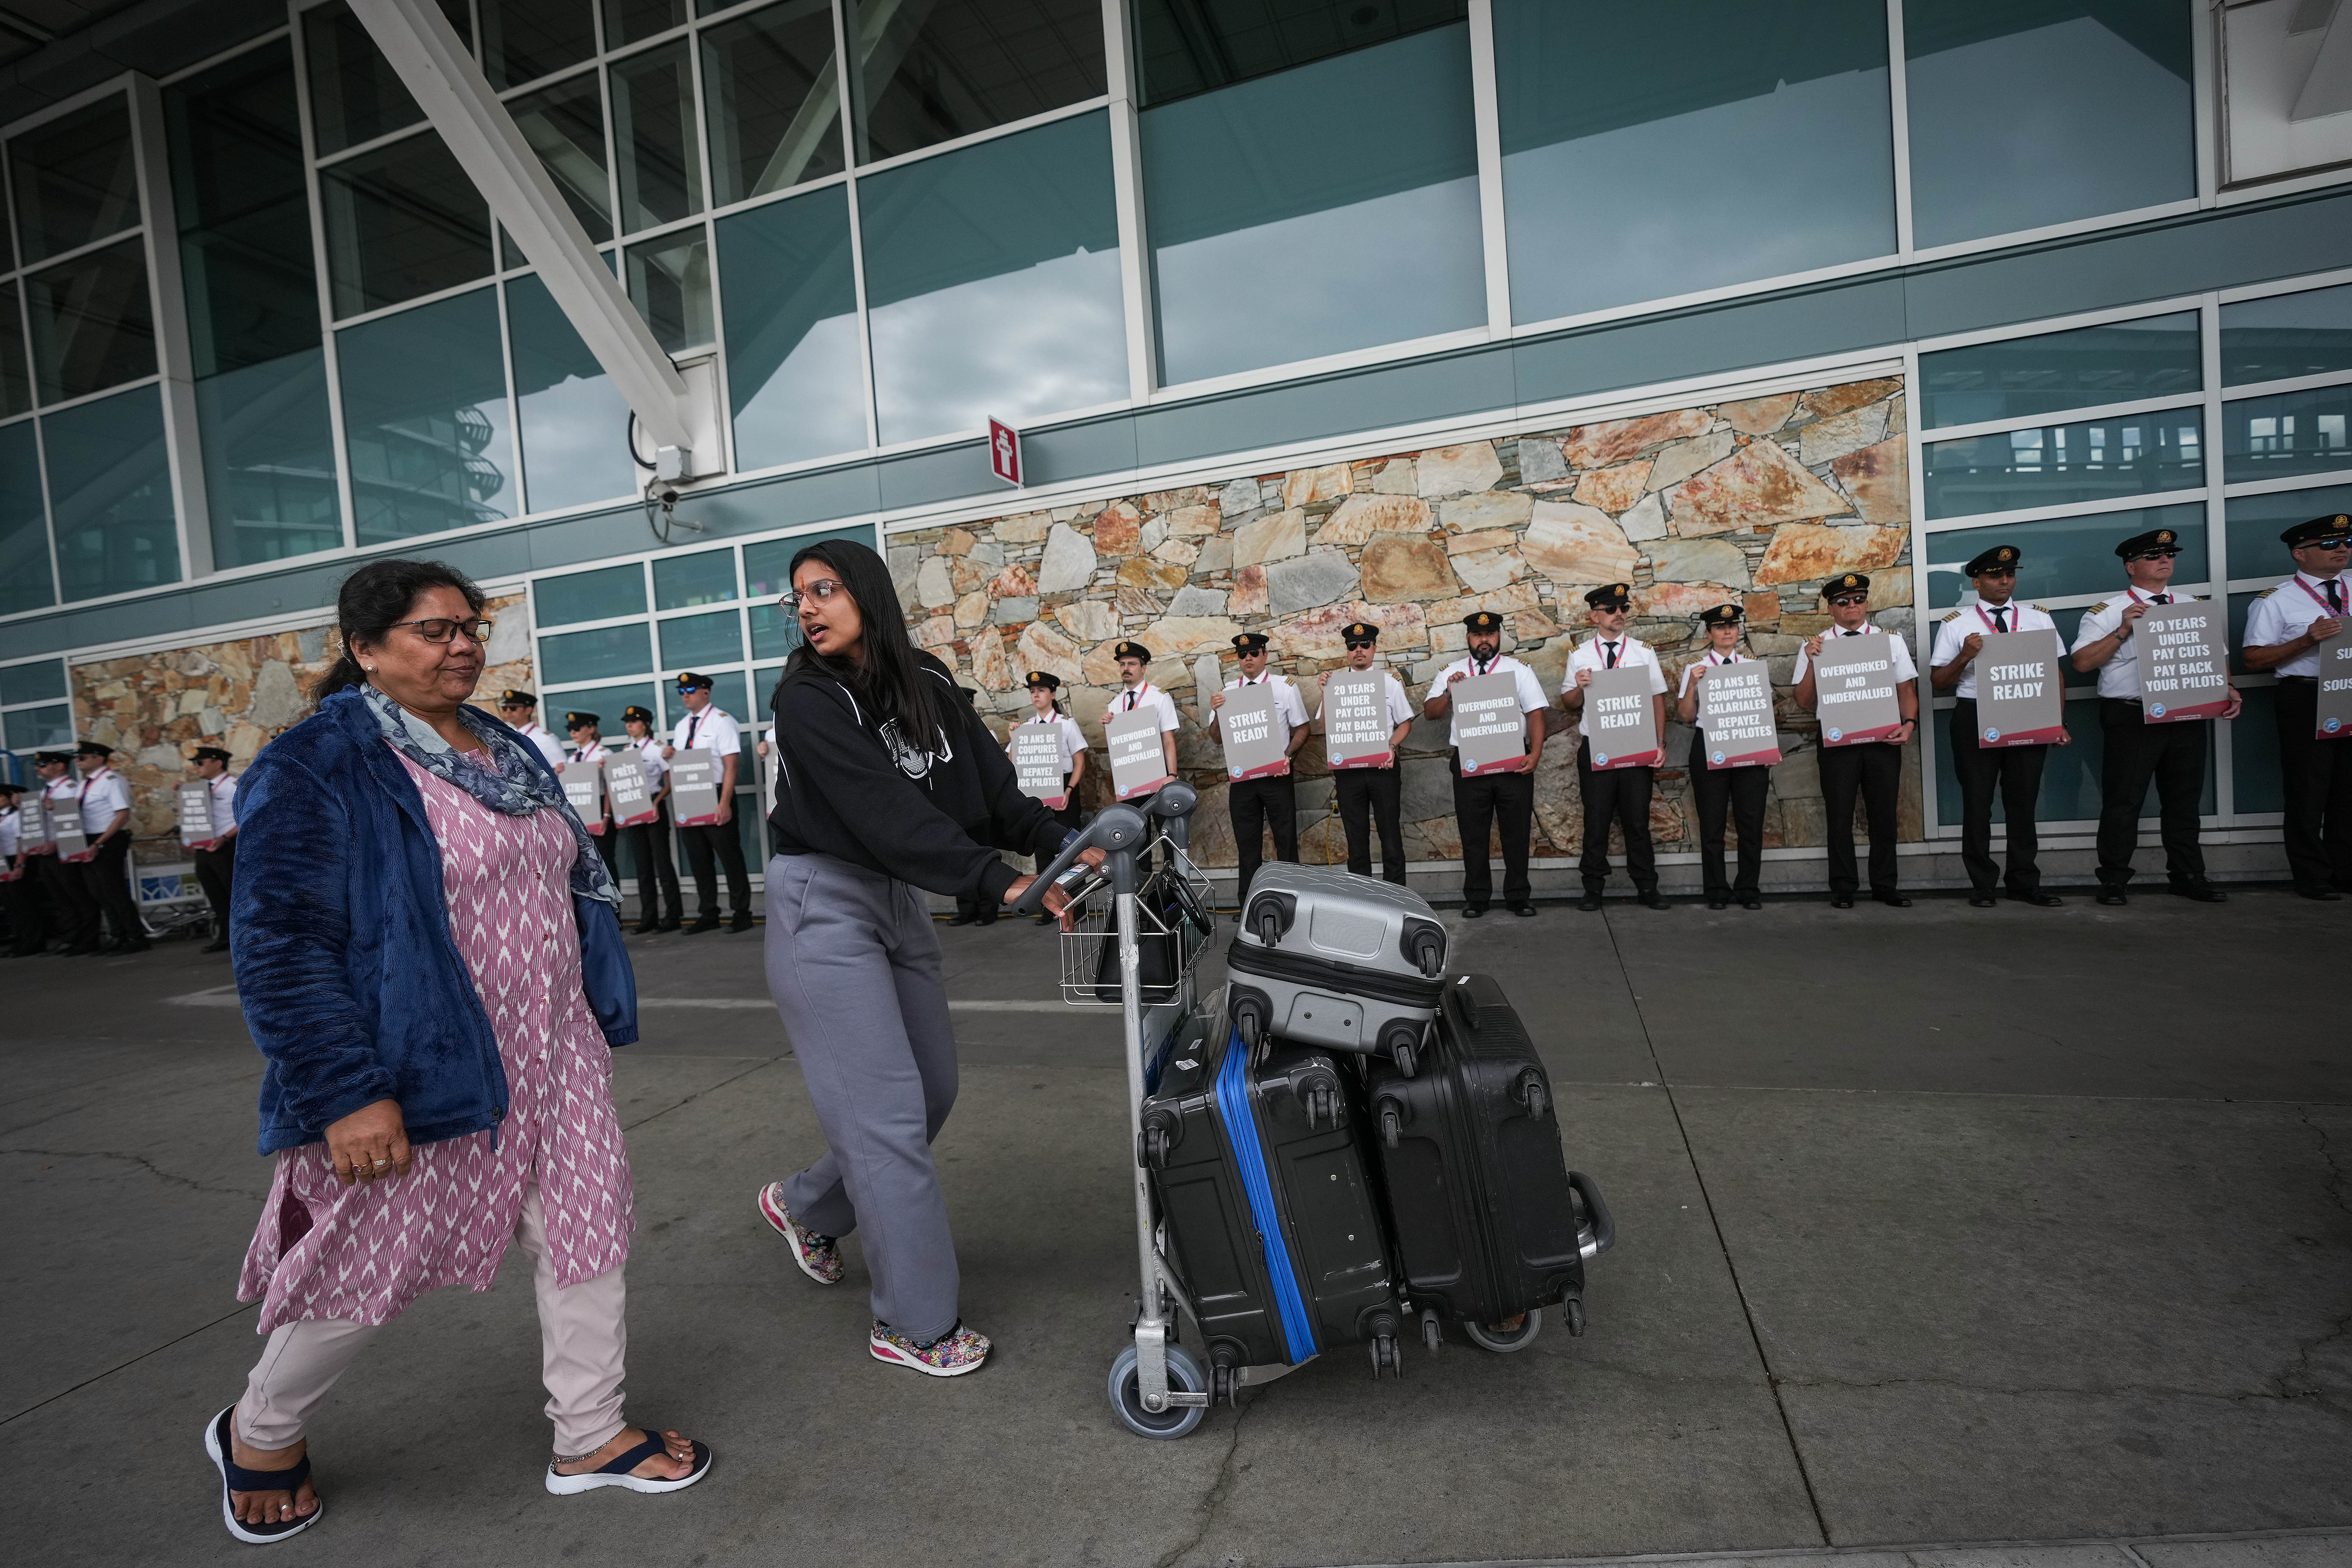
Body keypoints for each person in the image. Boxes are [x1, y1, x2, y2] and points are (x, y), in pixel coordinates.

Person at [213, 557, 707, 1545]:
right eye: (434, 630)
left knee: (588, 1227)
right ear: (365, 648)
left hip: (555, 1048)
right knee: (365, 1259)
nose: (463, 644)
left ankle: (591, 1432)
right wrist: (348, 1091)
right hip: (418, 1060)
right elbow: (279, 942)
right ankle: (259, 1431)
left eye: (469, 626)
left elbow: (563, 885)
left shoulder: (500, 747)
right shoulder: (318, 762)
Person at [753, 538, 1094, 1378]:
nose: (807, 608)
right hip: (821, 903)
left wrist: (1057, 841)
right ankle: (912, 1323)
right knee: (885, 1119)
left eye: (824, 590)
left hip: (897, 898)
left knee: (931, 1089)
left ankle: (805, 1205)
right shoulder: (807, 697)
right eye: (799, 596)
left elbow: (989, 787)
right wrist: (993, 881)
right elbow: (878, 812)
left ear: (867, 593)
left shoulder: (928, 680)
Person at [2070, 526, 2238, 905]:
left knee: (2183, 801)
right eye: (2153, 556)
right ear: (2131, 567)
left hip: (2185, 714)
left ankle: (2188, 876)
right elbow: (2081, 663)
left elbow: (2215, 658)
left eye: (2169, 554)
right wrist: (2122, 631)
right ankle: (2113, 880)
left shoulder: (2191, 605)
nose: (2165, 560)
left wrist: (2227, 688)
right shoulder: (2108, 611)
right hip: (2131, 717)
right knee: (2122, 802)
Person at [1930, 544, 2067, 909]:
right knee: (1977, 803)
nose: (2004, 580)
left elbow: (2054, 673)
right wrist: (1965, 655)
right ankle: (1983, 884)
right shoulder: (1956, 625)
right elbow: (1939, 682)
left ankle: (2023, 881)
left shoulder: (2038, 618)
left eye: (2009, 574)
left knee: (2022, 803)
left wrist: (2056, 720)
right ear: (1976, 582)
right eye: (1994, 575)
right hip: (1975, 715)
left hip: (2027, 712)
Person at [1792, 572, 1919, 909]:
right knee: (1839, 815)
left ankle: (1885, 885)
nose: (1853, 606)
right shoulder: (1816, 644)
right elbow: (1803, 702)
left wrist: (1909, 725)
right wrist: (1811, 662)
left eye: (1859, 599)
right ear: (1831, 608)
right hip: (1838, 742)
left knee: (1884, 815)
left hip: (1883, 739)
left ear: (1867, 602)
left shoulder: (1889, 641)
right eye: (1844, 602)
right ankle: (1844, 887)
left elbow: (1906, 689)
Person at [2243, 512, 2352, 899]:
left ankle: (2345, 869)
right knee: (2308, 788)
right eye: (2328, 544)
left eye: (2345, 542)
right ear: (2299, 554)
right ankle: (2311, 874)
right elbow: (2253, 660)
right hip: (2306, 694)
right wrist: (2306, 640)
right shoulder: (2276, 601)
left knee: (2347, 789)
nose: (2341, 549)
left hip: (2349, 689)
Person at [1424, 610, 1547, 918]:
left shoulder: (1518, 670)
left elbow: (1535, 714)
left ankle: (1518, 895)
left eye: (1490, 634)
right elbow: (1430, 712)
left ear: (1498, 636)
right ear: (1469, 638)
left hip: (1513, 761)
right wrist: (1450, 693)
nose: (1484, 640)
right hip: (1470, 763)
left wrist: (1536, 754)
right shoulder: (1451, 672)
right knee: (1473, 833)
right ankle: (1477, 897)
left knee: (1516, 833)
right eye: (1478, 635)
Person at [1560, 584, 1670, 912]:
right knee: (1596, 822)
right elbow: (1569, 703)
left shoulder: (1642, 652)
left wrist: (1660, 743)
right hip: (1597, 747)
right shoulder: (1580, 655)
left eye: (1623, 608)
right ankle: (1593, 888)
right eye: (1611, 609)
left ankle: (1647, 887)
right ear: (1595, 615)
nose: (1619, 614)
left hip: (1635, 746)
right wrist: (1579, 687)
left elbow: (1657, 700)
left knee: (1638, 822)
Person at [1675, 604, 1768, 910]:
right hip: (1709, 743)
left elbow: (1762, 712)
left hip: (1747, 742)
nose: (1727, 631)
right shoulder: (1696, 668)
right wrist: (1691, 684)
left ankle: (1749, 889)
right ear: (1709, 633)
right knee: (1712, 824)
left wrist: (1767, 747)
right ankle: (1716, 890)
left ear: (1738, 630)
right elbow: (1687, 716)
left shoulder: (1752, 665)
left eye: (1732, 625)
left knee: (1751, 822)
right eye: (1720, 626)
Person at [1209, 631, 1310, 909]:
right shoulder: (1227, 692)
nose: (1248, 658)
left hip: (1277, 776)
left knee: (1286, 841)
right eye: (1243, 654)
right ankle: (1248, 906)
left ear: (1265, 655)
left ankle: (1295, 902)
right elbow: (1216, 738)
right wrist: (1217, 712)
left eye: (1254, 653)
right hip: (1243, 781)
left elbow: (1303, 728)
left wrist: (1289, 755)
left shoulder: (1284, 687)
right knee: (1247, 845)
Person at [1317, 621, 1416, 885]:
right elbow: (1326, 727)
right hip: (1349, 773)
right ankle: (1364, 904)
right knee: (1356, 841)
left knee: (1391, 838)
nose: (1358, 650)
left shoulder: (1389, 683)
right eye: (1352, 646)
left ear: (1374, 648)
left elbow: (1405, 722)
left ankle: (1398, 899)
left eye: (1364, 645)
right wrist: (1326, 693)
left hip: (1383, 770)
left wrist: (1392, 746)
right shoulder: (1334, 683)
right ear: (1347, 651)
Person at [663, 672, 750, 932]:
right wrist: (669, 755)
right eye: (682, 691)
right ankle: (709, 912)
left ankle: (741, 912)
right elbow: (680, 765)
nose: (685, 694)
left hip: (715, 793)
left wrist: (724, 803)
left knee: (729, 856)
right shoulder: (681, 727)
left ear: (706, 692)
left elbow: (732, 765)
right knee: (698, 858)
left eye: (690, 689)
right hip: (690, 795)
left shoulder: (721, 722)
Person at [1008, 671, 1087, 926]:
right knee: (1042, 852)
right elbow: (1011, 764)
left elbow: (1079, 761)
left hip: (1064, 788)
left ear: (1053, 694)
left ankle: (1079, 903)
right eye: (1033, 691)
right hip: (1037, 789)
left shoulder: (1066, 723)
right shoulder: (1026, 728)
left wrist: (1070, 790)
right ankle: (1048, 907)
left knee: (1071, 850)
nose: (1036, 695)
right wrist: (1014, 739)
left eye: (1041, 690)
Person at [74, 739, 146, 954]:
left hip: (108, 839)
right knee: (98, 892)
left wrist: (99, 843)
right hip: (89, 839)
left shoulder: (112, 780)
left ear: (99, 758)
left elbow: (123, 815)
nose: (77, 761)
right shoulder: (83, 784)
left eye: (82, 757)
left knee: (113, 890)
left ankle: (135, 936)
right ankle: (118, 935)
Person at [618, 705, 683, 932]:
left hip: (654, 803)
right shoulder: (626, 751)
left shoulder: (657, 749)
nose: (629, 726)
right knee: (643, 866)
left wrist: (657, 802)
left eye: (634, 722)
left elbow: (671, 780)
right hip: (634, 805)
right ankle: (649, 917)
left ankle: (673, 915)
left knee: (662, 863)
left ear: (645, 724)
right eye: (627, 722)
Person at [30, 750, 86, 953]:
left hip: (65, 849)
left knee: (76, 895)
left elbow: (76, 822)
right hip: (47, 851)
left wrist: (55, 842)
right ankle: (71, 937)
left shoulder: (70, 788)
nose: (38, 769)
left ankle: (86, 938)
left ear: (60, 766)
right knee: (59, 897)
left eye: (43, 765)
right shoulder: (47, 791)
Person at [187, 745, 241, 953]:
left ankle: (242, 937)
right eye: (195, 763)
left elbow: (246, 816)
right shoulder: (202, 789)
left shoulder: (233, 785)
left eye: (200, 763)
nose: (197, 767)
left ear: (218, 763)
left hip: (226, 845)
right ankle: (225, 936)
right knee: (214, 893)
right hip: (205, 846)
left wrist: (226, 838)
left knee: (232, 893)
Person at [564, 712, 623, 884]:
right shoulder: (572, 758)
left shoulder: (603, 754)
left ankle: (615, 909)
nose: (573, 733)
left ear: (591, 729)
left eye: (577, 728)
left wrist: (606, 817)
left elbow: (612, 789)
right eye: (570, 729)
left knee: (605, 860)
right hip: (580, 809)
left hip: (600, 808)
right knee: (585, 862)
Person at [0, 780, 39, 957]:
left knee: (23, 902)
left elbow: (21, 841)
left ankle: (33, 941)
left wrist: (19, 865)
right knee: (11, 905)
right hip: (2, 861)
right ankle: (20, 939)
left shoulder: (17, 816)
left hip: (16, 859)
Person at [496, 690, 568, 768]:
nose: (508, 711)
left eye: (513, 708)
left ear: (528, 710)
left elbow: (561, 769)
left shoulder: (546, 738)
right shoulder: (507, 735)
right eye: (505, 708)